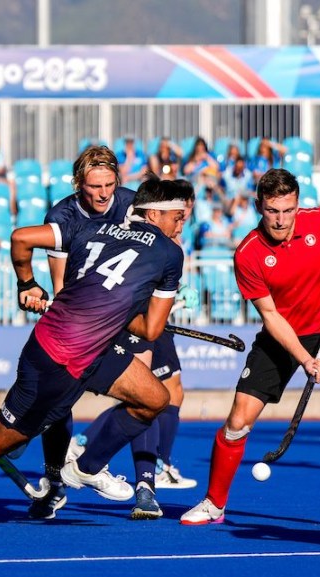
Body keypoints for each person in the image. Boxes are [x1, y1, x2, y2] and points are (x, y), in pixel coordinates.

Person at [0, 182, 186, 524]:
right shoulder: (169, 253)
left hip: (91, 347)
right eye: (177, 218)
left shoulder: (93, 227)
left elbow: (20, 238)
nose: (181, 226)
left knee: (153, 397)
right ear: (153, 214)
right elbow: (150, 330)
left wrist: (27, 283)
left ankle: (86, 468)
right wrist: (131, 315)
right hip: (56, 359)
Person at [180, 168, 320, 525]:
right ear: (259, 206)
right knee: (238, 421)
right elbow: (271, 317)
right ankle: (214, 502)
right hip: (282, 335)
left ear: (297, 205)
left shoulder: (317, 221)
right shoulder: (248, 253)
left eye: (288, 210)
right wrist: (304, 359)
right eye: (273, 211)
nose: (281, 220)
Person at [67, 178, 202, 521]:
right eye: (179, 215)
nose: (182, 222)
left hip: (154, 323)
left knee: (172, 392)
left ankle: (154, 466)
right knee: (148, 396)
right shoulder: (139, 234)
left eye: (186, 215)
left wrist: (175, 299)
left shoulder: (170, 241)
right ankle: (143, 484)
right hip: (133, 323)